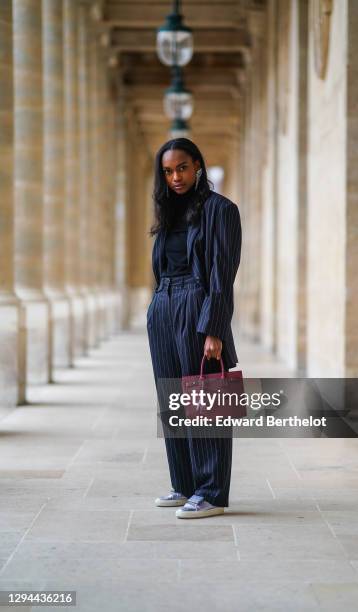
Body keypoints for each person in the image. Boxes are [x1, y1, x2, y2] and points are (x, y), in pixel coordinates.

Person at [146, 138, 242, 519]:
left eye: (182, 168)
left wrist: (214, 328)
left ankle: (211, 492)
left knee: (205, 399)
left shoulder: (221, 211)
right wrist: (157, 306)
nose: (176, 177)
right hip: (164, 305)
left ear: (198, 165)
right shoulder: (167, 215)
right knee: (173, 399)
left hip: (196, 304)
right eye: (168, 171)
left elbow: (222, 275)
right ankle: (184, 483)